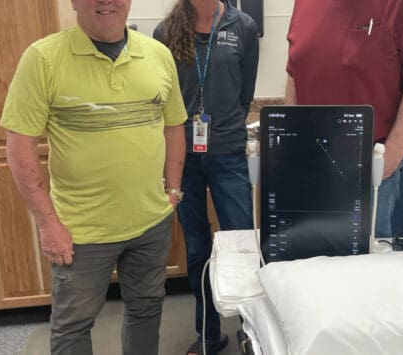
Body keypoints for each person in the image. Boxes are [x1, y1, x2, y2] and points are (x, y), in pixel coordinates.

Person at [0, 0, 187, 353]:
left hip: (150, 223)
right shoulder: (43, 59)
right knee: (73, 326)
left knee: (146, 309)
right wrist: (47, 223)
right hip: (80, 233)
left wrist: (173, 191)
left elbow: (174, 125)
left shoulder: (158, 55)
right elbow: (19, 147)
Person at [285, 0, 403, 237]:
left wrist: (385, 165)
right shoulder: (305, 3)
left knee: (366, 268)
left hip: (365, 173)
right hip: (311, 167)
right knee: (310, 259)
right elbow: (293, 74)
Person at [153, 0, 259, 354]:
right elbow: (163, 98)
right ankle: (208, 335)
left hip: (228, 154)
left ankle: (253, 335)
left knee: (242, 246)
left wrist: (223, 129)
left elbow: (246, 94)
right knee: (197, 248)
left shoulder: (241, 27)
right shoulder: (165, 33)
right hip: (182, 158)